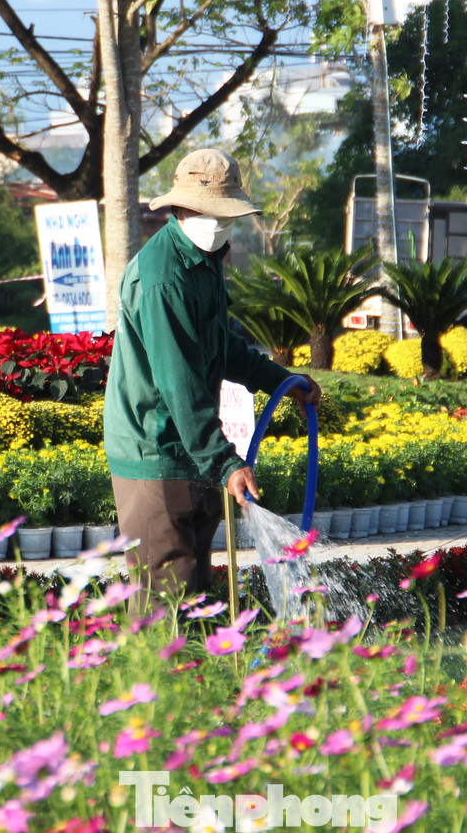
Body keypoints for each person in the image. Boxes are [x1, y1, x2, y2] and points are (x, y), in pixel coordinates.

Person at [103, 148, 321, 611]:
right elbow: (178, 383)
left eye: (227, 215)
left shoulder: (204, 262)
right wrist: (225, 462)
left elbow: (221, 349)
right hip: (155, 446)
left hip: (191, 447)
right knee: (167, 592)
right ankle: (154, 681)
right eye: (209, 213)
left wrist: (281, 379)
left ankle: (201, 679)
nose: (219, 224)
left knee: (197, 588)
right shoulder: (164, 278)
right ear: (180, 209)